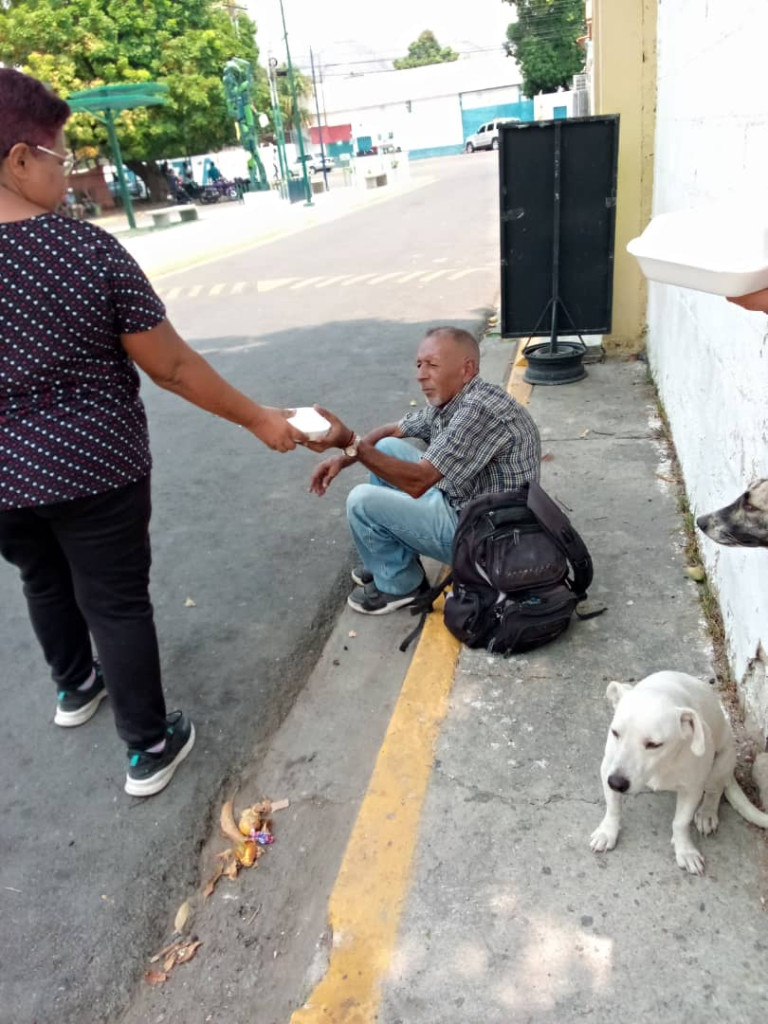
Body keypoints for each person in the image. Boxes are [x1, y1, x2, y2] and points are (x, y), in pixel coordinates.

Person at [0, 69, 307, 797]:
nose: (66, 173)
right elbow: (169, 365)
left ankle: (75, 687)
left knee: (42, 576)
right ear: (18, 159)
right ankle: (148, 746)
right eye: (59, 158)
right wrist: (262, 417)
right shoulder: (85, 252)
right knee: (114, 600)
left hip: (5, 485)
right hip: (94, 469)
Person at [307, 326, 541, 614]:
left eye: (432, 365)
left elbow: (418, 482)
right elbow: (391, 430)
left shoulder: (478, 411)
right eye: (419, 364)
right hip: (469, 504)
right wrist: (343, 459)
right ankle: (392, 562)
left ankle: (400, 586)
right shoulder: (458, 397)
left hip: (488, 541)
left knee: (361, 502)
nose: (420, 374)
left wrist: (349, 440)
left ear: (466, 369)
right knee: (386, 447)